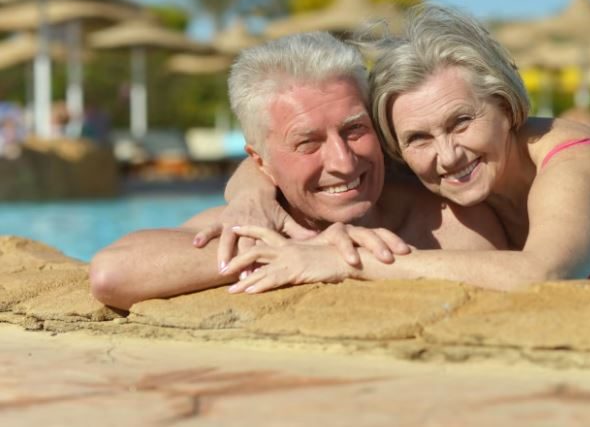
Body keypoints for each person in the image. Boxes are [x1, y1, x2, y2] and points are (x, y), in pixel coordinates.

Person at [219, 4, 590, 294]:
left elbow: (543, 274)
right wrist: (249, 195)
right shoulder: (433, 162)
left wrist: (345, 262)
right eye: (418, 138)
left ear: (506, 106)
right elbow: (287, 159)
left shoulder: (576, 167)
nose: (447, 155)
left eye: (461, 122)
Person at [89, 32, 506, 310]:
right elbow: (113, 273)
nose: (343, 162)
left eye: (355, 129)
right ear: (260, 162)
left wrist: (341, 260)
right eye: (308, 143)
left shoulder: (447, 218)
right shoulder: (260, 223)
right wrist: (303, 248)